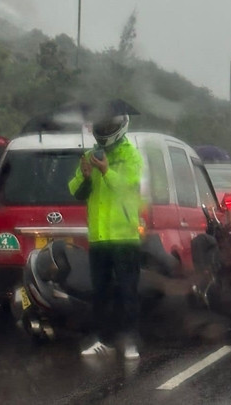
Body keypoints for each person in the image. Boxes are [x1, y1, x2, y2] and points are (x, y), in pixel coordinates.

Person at [68, 112, 144, 360]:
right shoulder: (91, 155)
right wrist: (86, 174)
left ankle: (131, 341)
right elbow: (75, 190)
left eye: (109, 124)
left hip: (124, 237)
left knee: (127, 290)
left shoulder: (130, 155)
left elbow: (128, 186)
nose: (105, 129)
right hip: (99, 237)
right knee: (100, 291)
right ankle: (103, 339)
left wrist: (106, 171)